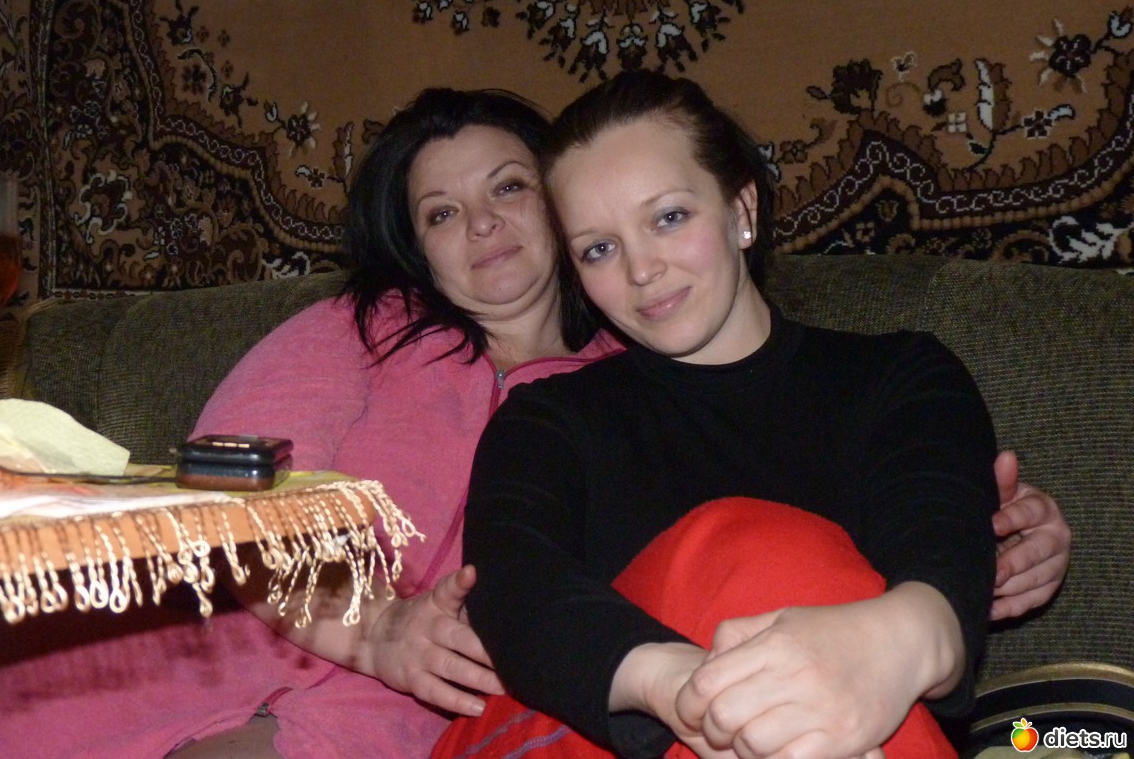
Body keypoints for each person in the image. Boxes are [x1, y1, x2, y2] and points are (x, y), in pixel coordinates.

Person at [0, 86, 1068, 759]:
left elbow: (825, 503)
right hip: (231, 657)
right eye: (441, 212)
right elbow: (219, 504)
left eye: (509, 189)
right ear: (415, 247)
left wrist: (963, 560)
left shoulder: (643, 369)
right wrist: (367, 624)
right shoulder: (366, 333)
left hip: (426, 720)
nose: (480, 227)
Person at [435, 71, 1039, 759]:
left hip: (860, 720)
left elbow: (940, 548)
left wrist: (877, 650)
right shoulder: (546, 421)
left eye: (668, 218)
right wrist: (686, 690)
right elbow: (516, 592)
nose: (641, 270)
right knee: (757, 548)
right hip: (574, 733)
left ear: (741, 208)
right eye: (599, 249)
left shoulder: (905, 378)